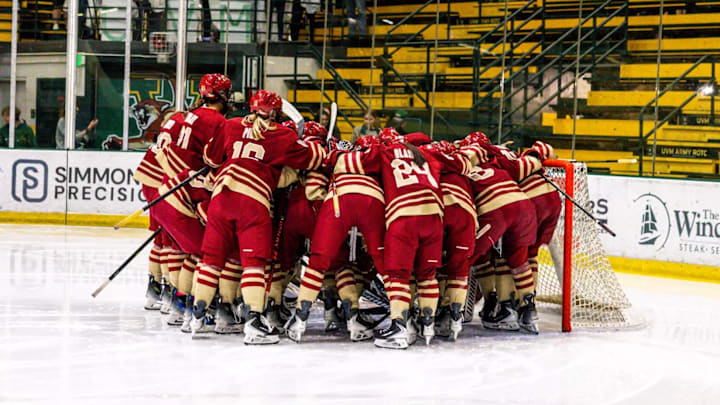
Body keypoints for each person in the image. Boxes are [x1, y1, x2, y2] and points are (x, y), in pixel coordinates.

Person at [193, 89, 326, 344]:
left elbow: (211, 157)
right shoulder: (282, 134)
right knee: (254, 264)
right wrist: (326, 147)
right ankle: (254, 323)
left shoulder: (230, 125)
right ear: (276, 112)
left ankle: (197, 317)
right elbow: (311, 158)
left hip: (220, 198)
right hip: (253, 202)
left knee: (211, 259)